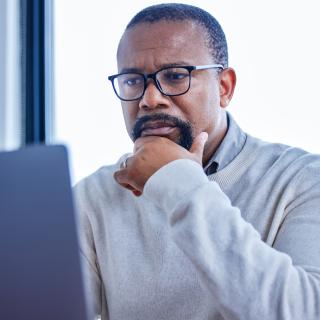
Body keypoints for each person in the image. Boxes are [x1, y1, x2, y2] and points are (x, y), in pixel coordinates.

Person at [74, 3, 320, 320]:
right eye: (133, 81)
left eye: (176, 76)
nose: (150, 99)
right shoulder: (90, 199)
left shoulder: (302, 180)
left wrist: (178, 181)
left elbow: (303, 312)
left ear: (224, 87)